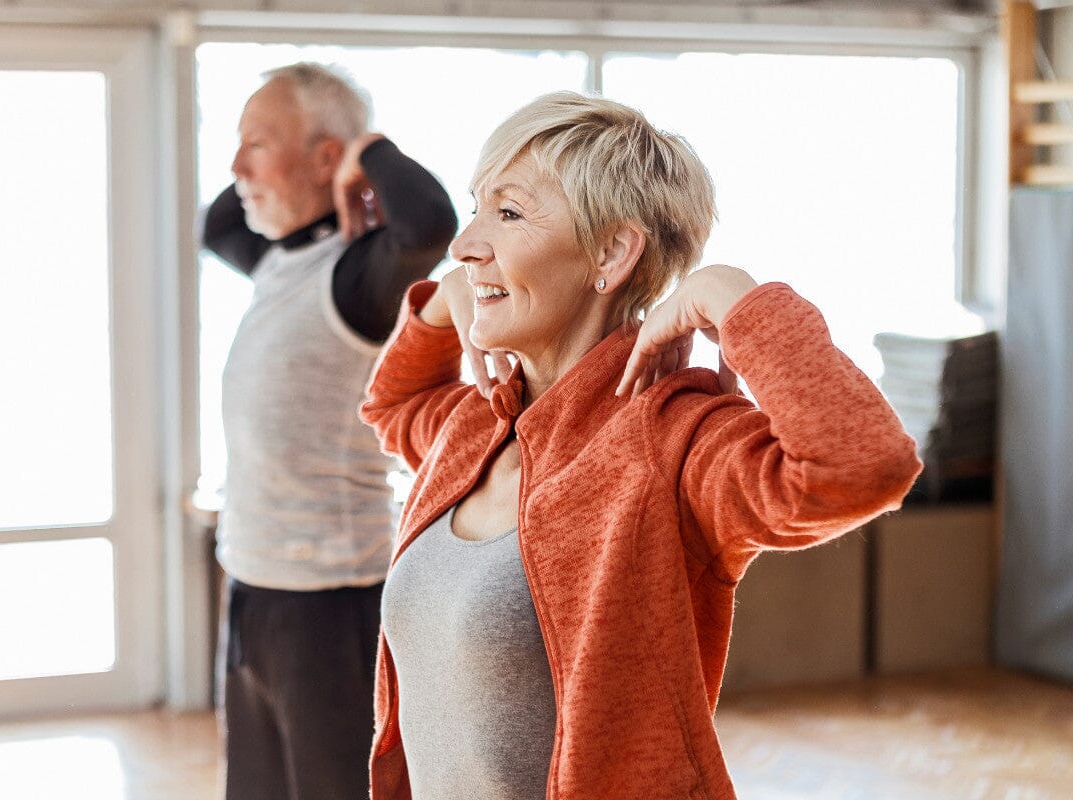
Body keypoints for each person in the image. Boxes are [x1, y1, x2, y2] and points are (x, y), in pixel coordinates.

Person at [360, 92, 922, 800]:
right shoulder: (477, 422)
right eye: (477, 208)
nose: (466, 243)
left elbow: (861, 466)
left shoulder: (672, 440)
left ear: (612, 252)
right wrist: (447, 301)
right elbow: (392, 405)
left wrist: (736, 300)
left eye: (506, 214)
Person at [200, 63, 456, 800]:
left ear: (323, 157)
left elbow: (430, 223)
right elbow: (216, 222)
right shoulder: (278, 261)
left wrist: (363, 148)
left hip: (333, 602)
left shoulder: (355, 277)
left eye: (257, 143)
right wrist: (269, 153)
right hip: (254, 585)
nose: (236, 166)